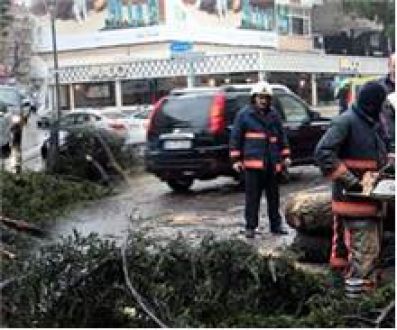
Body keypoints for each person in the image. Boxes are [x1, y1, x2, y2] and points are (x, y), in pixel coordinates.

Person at [314, 81, 388, 291]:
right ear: (373, 104)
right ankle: (357, 307)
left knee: (370, 254)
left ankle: (363, 298)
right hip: (354, 203)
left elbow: (377, 158)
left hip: (372, 201)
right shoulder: (345, 122)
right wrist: (350, 180)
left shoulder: (372, 123)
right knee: (363, 258)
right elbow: (323, 153)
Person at [229, 81, 291, 239]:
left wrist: (285, 156)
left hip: (271, 163)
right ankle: (250, 226)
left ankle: (276, 225)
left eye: (266, 98)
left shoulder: (274, 114)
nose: (263, 100)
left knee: (274, 198)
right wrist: (236, 160)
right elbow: (236, 138)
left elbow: (281, 137)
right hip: (253, 165)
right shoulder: (244, 115)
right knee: (252, 198)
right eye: (260, 97)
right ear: (254, 98)